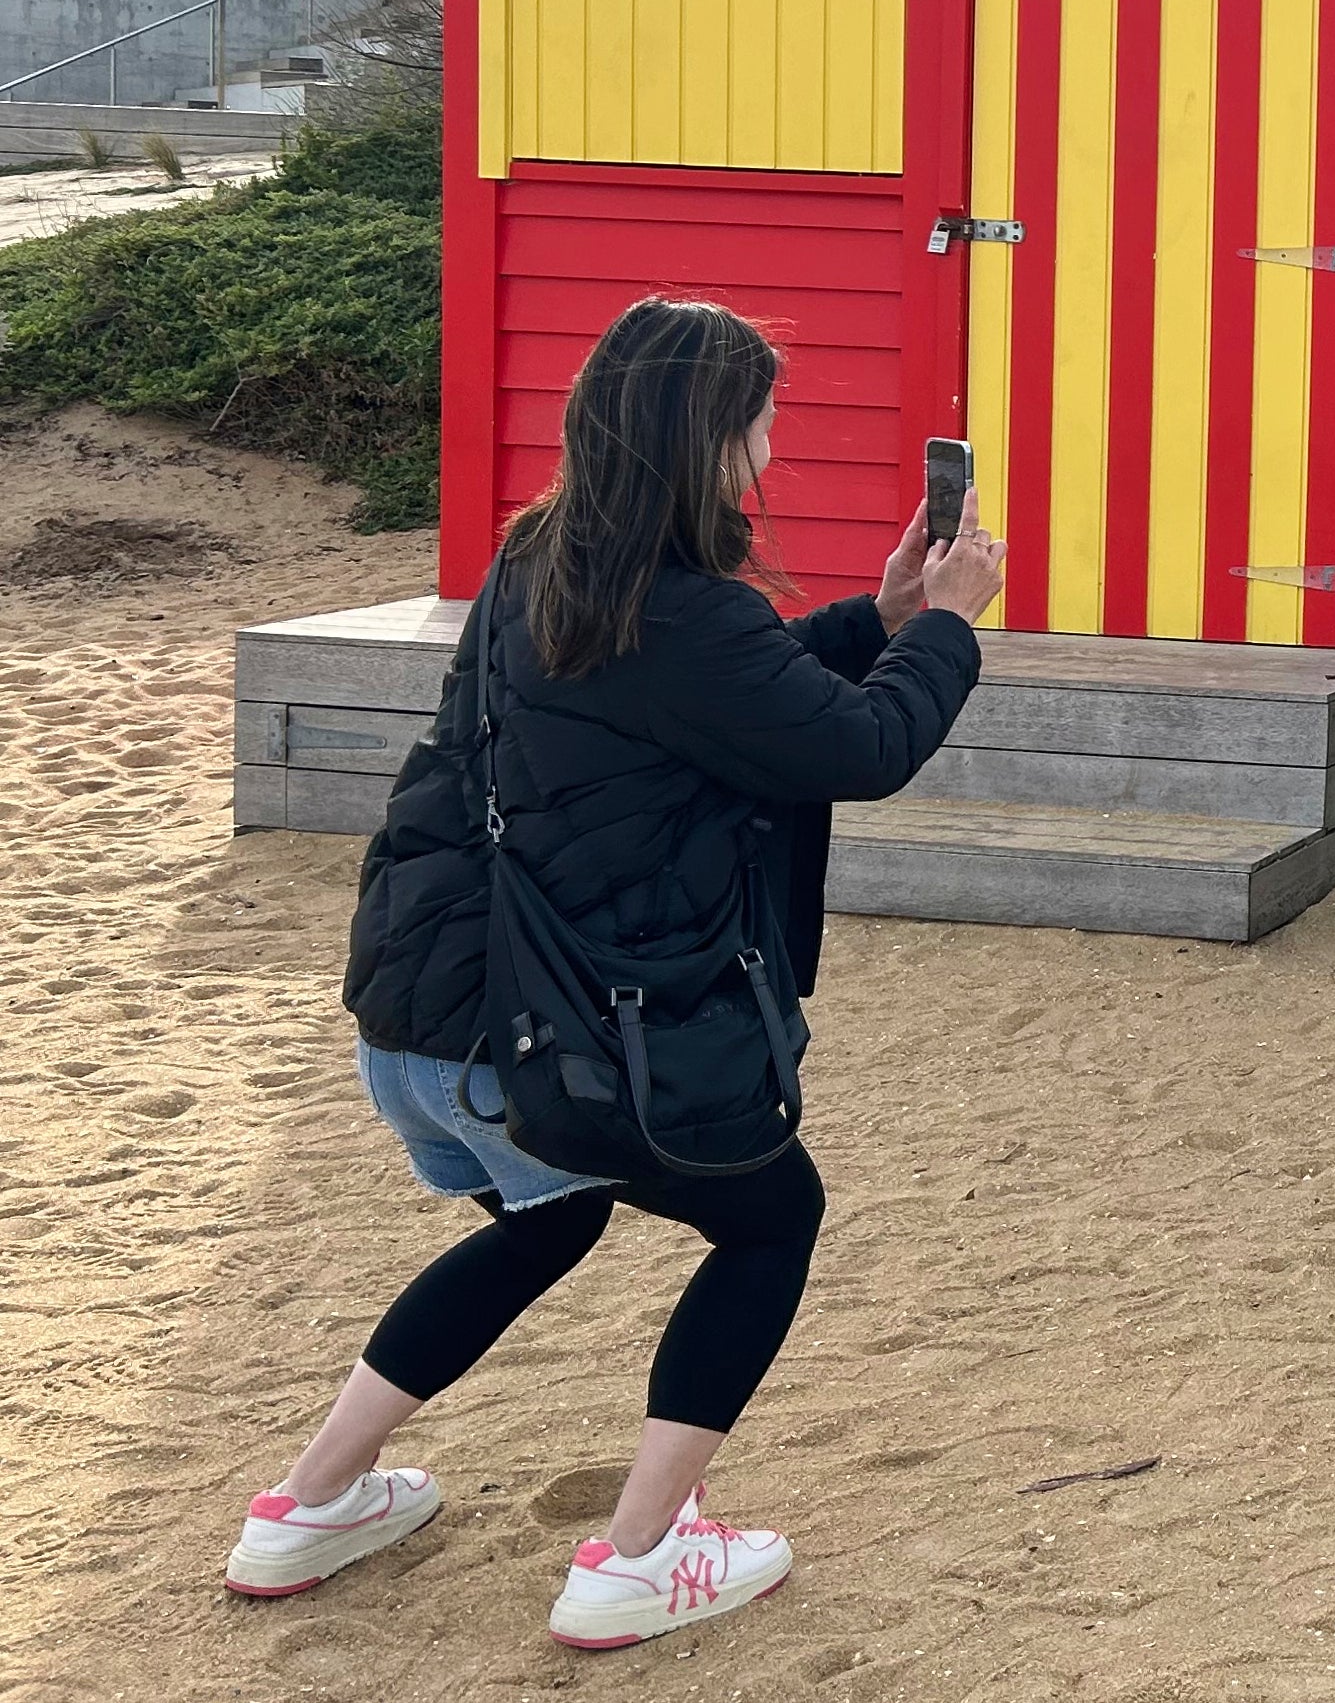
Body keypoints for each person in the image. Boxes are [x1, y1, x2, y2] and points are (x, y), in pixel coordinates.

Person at [223, 297, 1006, 1647]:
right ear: (711, 437)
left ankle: (305, 1503)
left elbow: (730, 695)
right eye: (757, 419)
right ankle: (636, 1555)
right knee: (771, 1216)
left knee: (550, 1214)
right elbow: (855, 752)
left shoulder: (546, 557)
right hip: (539, 1039)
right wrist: (946, 622)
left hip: (422, 1011)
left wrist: (871, 622)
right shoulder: (683, 610)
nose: (767, 442)